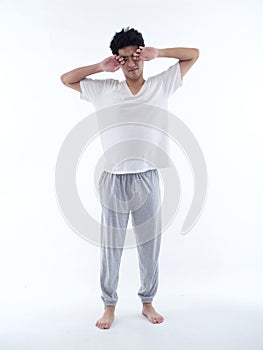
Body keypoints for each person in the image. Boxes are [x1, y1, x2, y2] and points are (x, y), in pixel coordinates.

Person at [60, 27, 199, 329]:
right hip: (113, 180)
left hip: (148, 178)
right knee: (112, 247)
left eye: (136, 56)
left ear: (142, 56)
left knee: (150, 245)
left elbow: (193, 55)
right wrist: (99, 67)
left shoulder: (161, 85)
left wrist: (159, 53)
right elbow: (66, 79)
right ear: (118, 61)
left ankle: (147, 302)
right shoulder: (105, 89)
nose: (132, 64)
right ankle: (109, 305)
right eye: (125, 59)